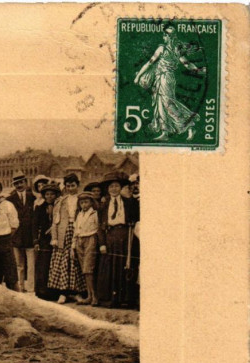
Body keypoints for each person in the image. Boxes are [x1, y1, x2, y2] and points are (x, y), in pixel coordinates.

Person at [133, 25, 205, 141]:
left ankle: (189, 126)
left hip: (165, 79)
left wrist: (138, 76)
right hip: (164, 79)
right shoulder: (177, 50)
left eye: (165, 35)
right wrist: (198, 70)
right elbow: (187, 65)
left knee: (168, 104)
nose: (164, 37)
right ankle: (165, 132)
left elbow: (149, 63)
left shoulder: (162, 49)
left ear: (168, 36)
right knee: (161, 104)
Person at [96, 172, 140, 309]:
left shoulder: (129, 203)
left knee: (125, 265)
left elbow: (136, 220)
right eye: (111, 187)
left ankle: (125, 299)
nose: (114, 189)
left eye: (116, 186)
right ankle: (110, 299)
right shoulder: (103, 206)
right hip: (110, 237)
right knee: (110, 266)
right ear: (107, 189)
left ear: (120, 188)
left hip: (125, 237)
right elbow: (100, 227)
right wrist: (102, 244)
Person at [48, 172, 85, 303]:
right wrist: (54, 238)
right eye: (68, 186)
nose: (70, 188)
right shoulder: (61, 201)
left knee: (76, 261)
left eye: (73, 185)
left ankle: (76, 292)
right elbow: (55, 222)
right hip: (63, 233)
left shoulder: (83, 199)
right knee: (63, 261)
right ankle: (63, 292)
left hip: (78, 231)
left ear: (78, 185)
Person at [6, 173, 36, 292]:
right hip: (16, 236)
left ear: (26, 182)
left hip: (30, 235)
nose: (19, 185)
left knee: (31, 264)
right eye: (16, 184)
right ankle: (20, 287)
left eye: (21, 182)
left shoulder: (33, 197)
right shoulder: (9, 200)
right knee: (19, 264)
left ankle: (31, 288)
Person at [33, 182, 61, 301]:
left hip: (57, 239)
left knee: (55, 265)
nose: (49, 196)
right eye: (47, 194)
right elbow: (35, 225)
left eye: (52, 194)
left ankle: (54, 292)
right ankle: (42, 292)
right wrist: (36, 241)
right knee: (43, 265)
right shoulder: (39, 208)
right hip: (44, 240)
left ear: (56, 195)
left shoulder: (60, 207)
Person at [73, 192, 100, 306]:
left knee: (88, 268)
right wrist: (73, 245)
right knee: (84, 269)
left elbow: (98, 229)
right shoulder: (79, 215)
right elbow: (76, 230)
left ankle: (94, 296)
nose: (84, 205)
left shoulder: (94, 214)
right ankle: (89, 295)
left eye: (86, 202)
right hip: (80, 241)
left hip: (90, 239)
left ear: (91, 203)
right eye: (82, 202)